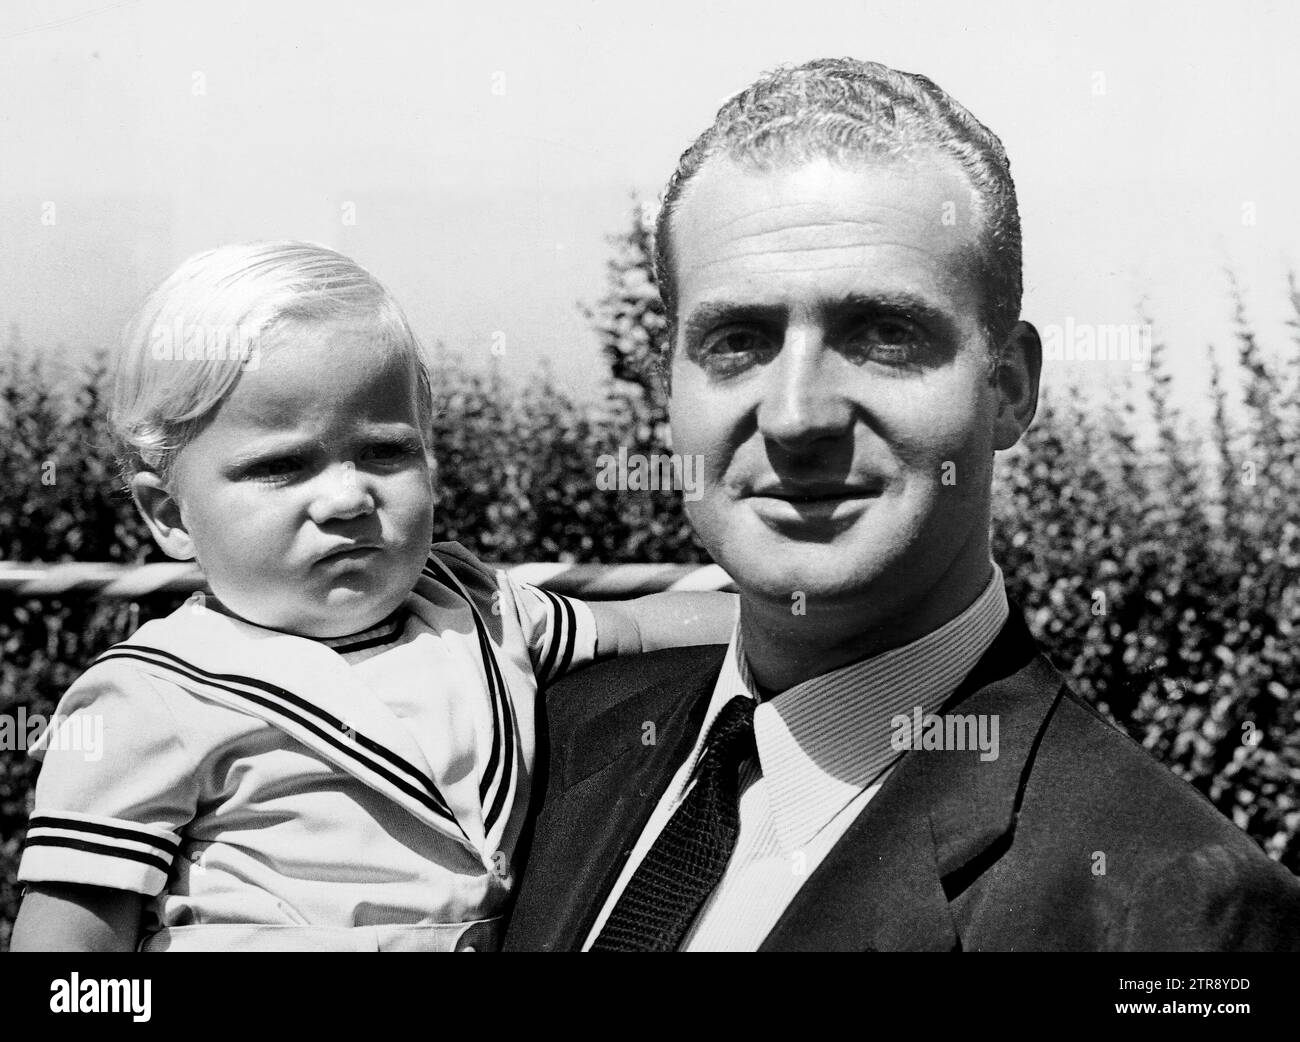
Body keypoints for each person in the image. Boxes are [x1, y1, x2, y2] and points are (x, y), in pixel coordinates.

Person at [502, 57, 1300, 951]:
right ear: (668, 385)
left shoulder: (1171, 917)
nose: (798, 413)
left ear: (1010, 388)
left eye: (883, 333)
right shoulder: (542, 743)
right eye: (736, 341)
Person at [10, 240, 735, 952]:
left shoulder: (474, 607)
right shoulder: (148, 697)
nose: (348, 496)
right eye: (282, 467)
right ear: (170, 516)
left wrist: (811, 615)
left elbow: (641, 625)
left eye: (386, 451)